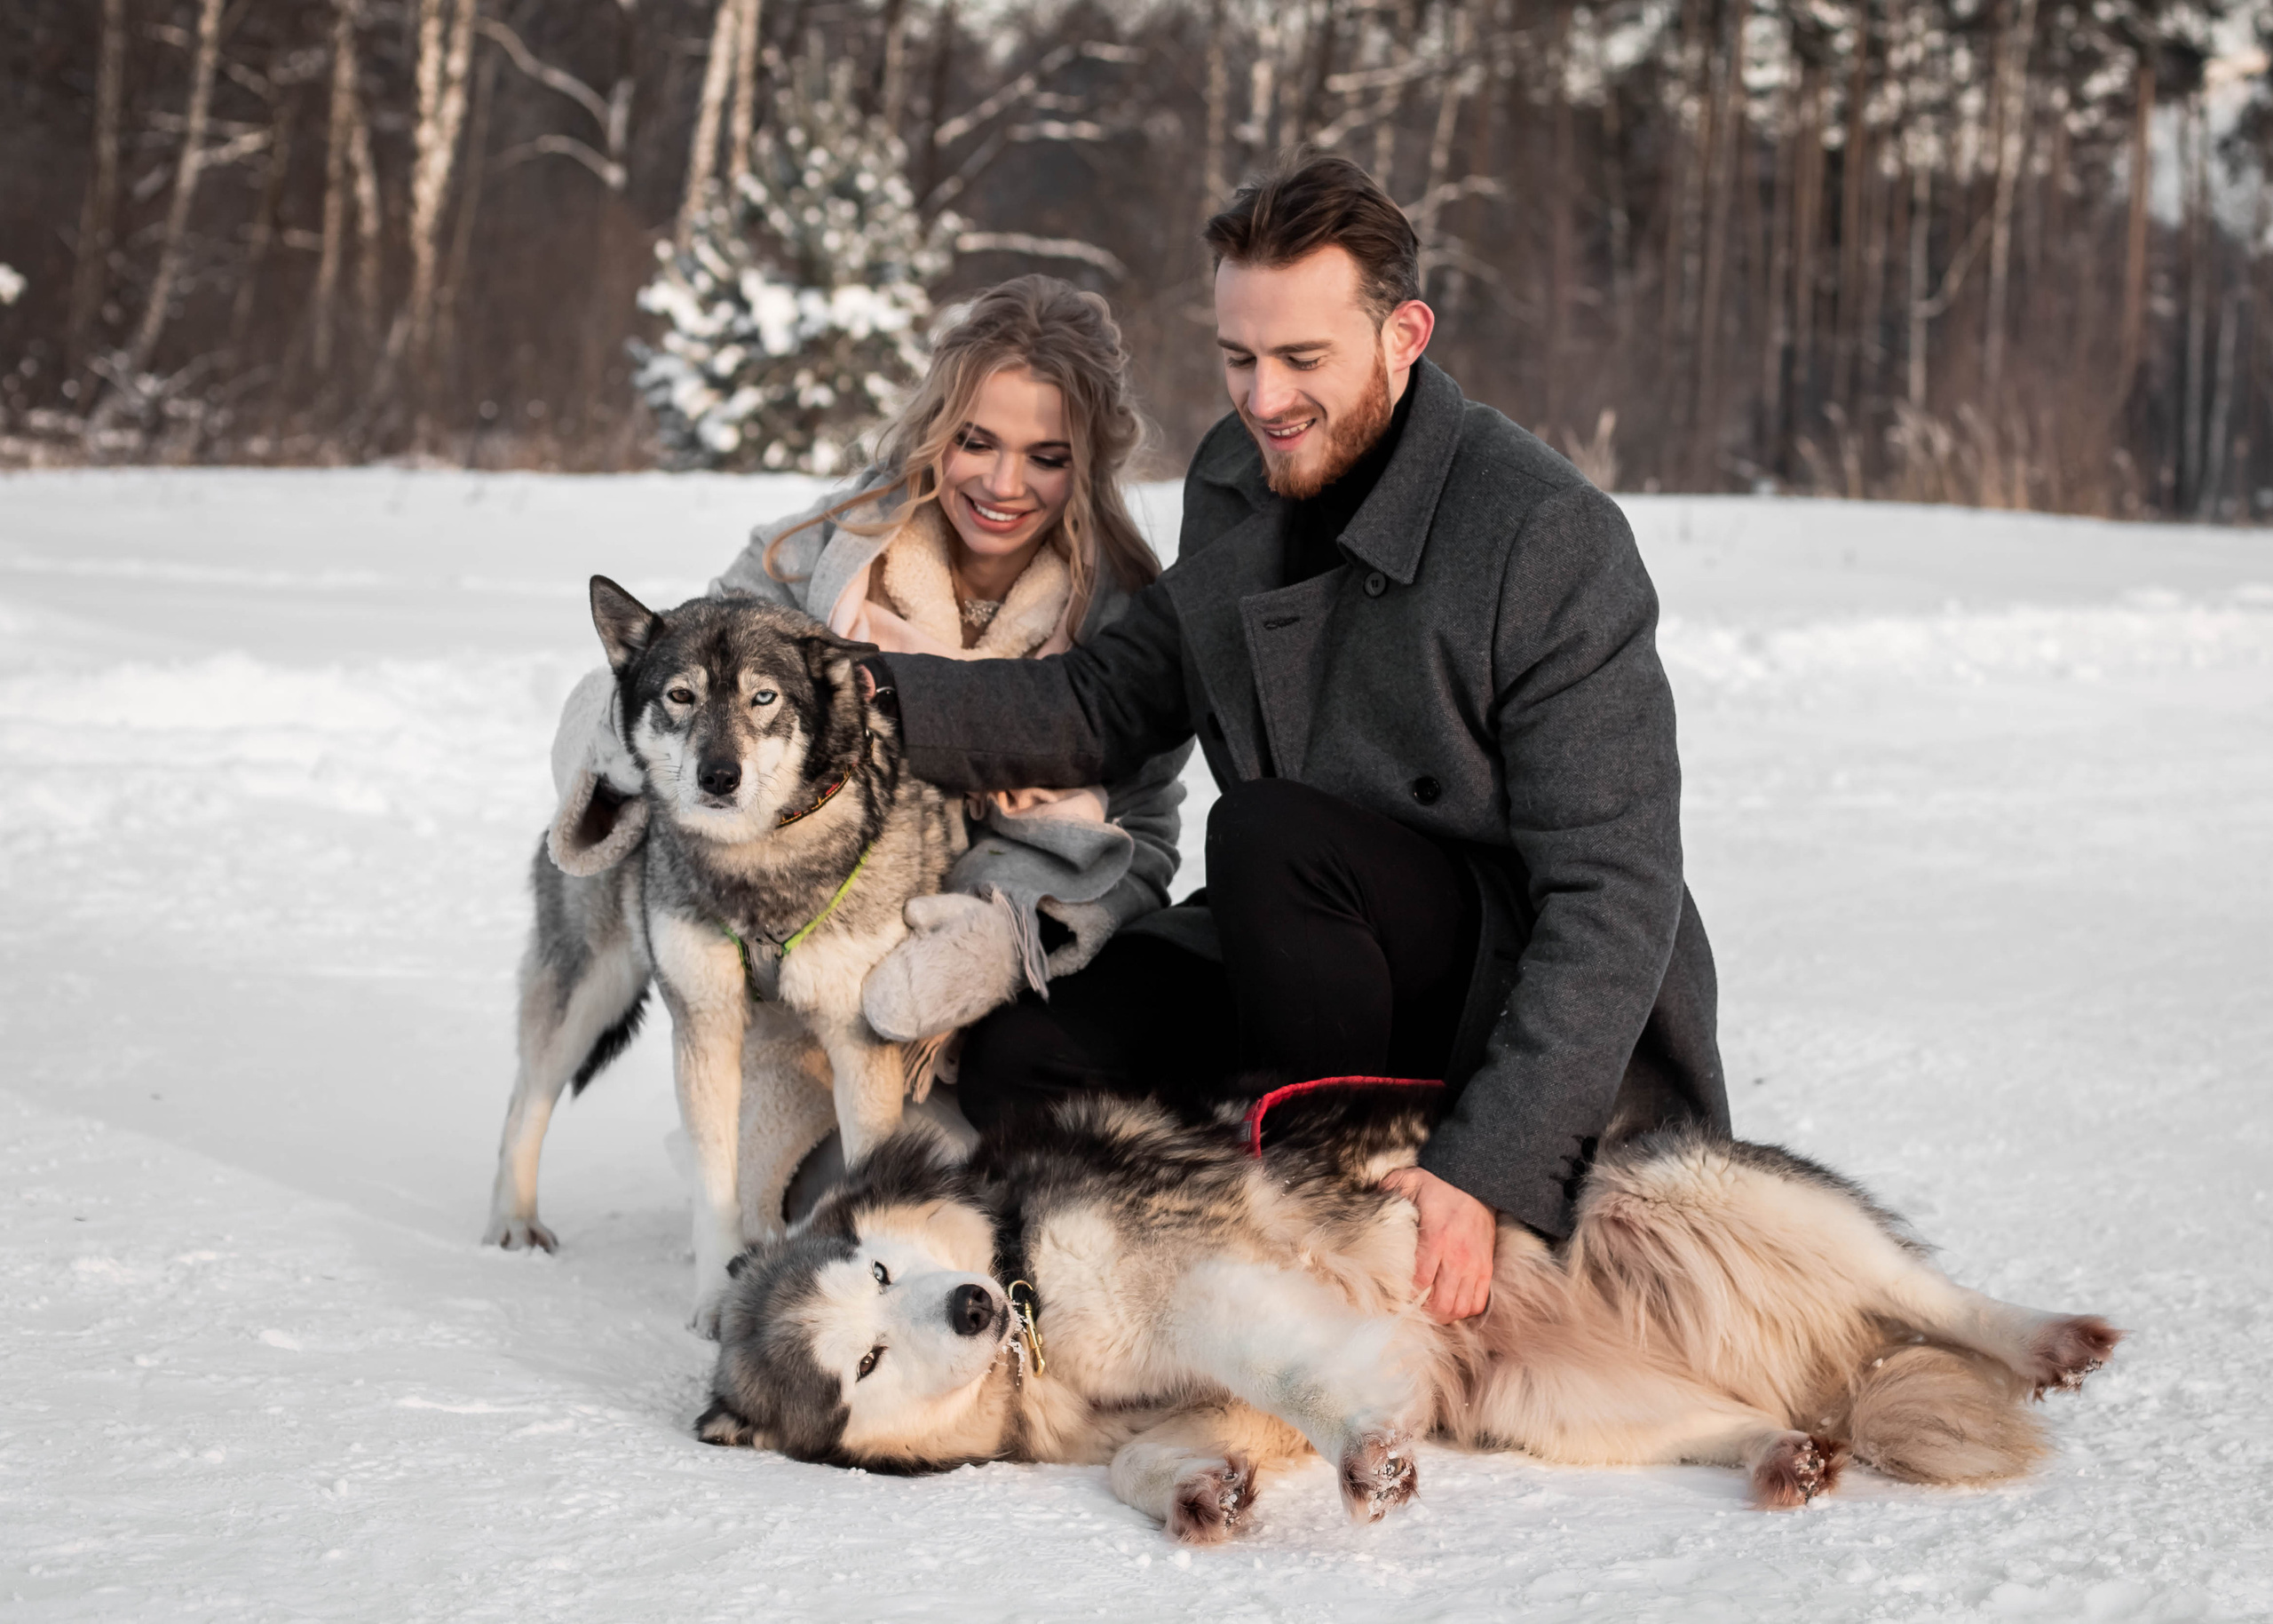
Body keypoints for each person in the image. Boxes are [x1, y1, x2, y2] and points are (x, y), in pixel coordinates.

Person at [856, 154, 1730, 1325]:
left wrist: (1490, 1166)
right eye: (1238, 357)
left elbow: (1618, 897)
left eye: (1303, 359)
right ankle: (1195, 1234)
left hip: (1500, 989)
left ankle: (1335, 1220)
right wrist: (853, 693)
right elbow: (1110, 701)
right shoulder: (1239, 475)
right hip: (1302, 952)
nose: (1264, 398)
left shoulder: (1546, 535)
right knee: (1029, 1060)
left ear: (1404, 333)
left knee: (1267, 832)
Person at [545, 275, 1189, 1208]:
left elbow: (1146, 839)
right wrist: (607, 731)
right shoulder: (821, 553)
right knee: (845, 1226)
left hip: (1000, 1012)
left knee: (994, 1215)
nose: (1004, 485)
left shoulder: (1124, 614)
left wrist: (1005, 931)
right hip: (802, 989)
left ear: (1087, 464)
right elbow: (687, 670)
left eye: (1045, 456)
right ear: (937, 430)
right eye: (977, 441)